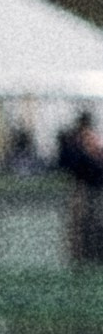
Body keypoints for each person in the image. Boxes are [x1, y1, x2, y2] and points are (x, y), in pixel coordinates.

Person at [55, 109, 103, 268]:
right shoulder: (77, 142)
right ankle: (81, 259)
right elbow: (70, 165)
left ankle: (88, 259)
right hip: (83, 188)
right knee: (81, 228)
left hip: (90, 189)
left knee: (89, 227)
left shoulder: (86, 141)